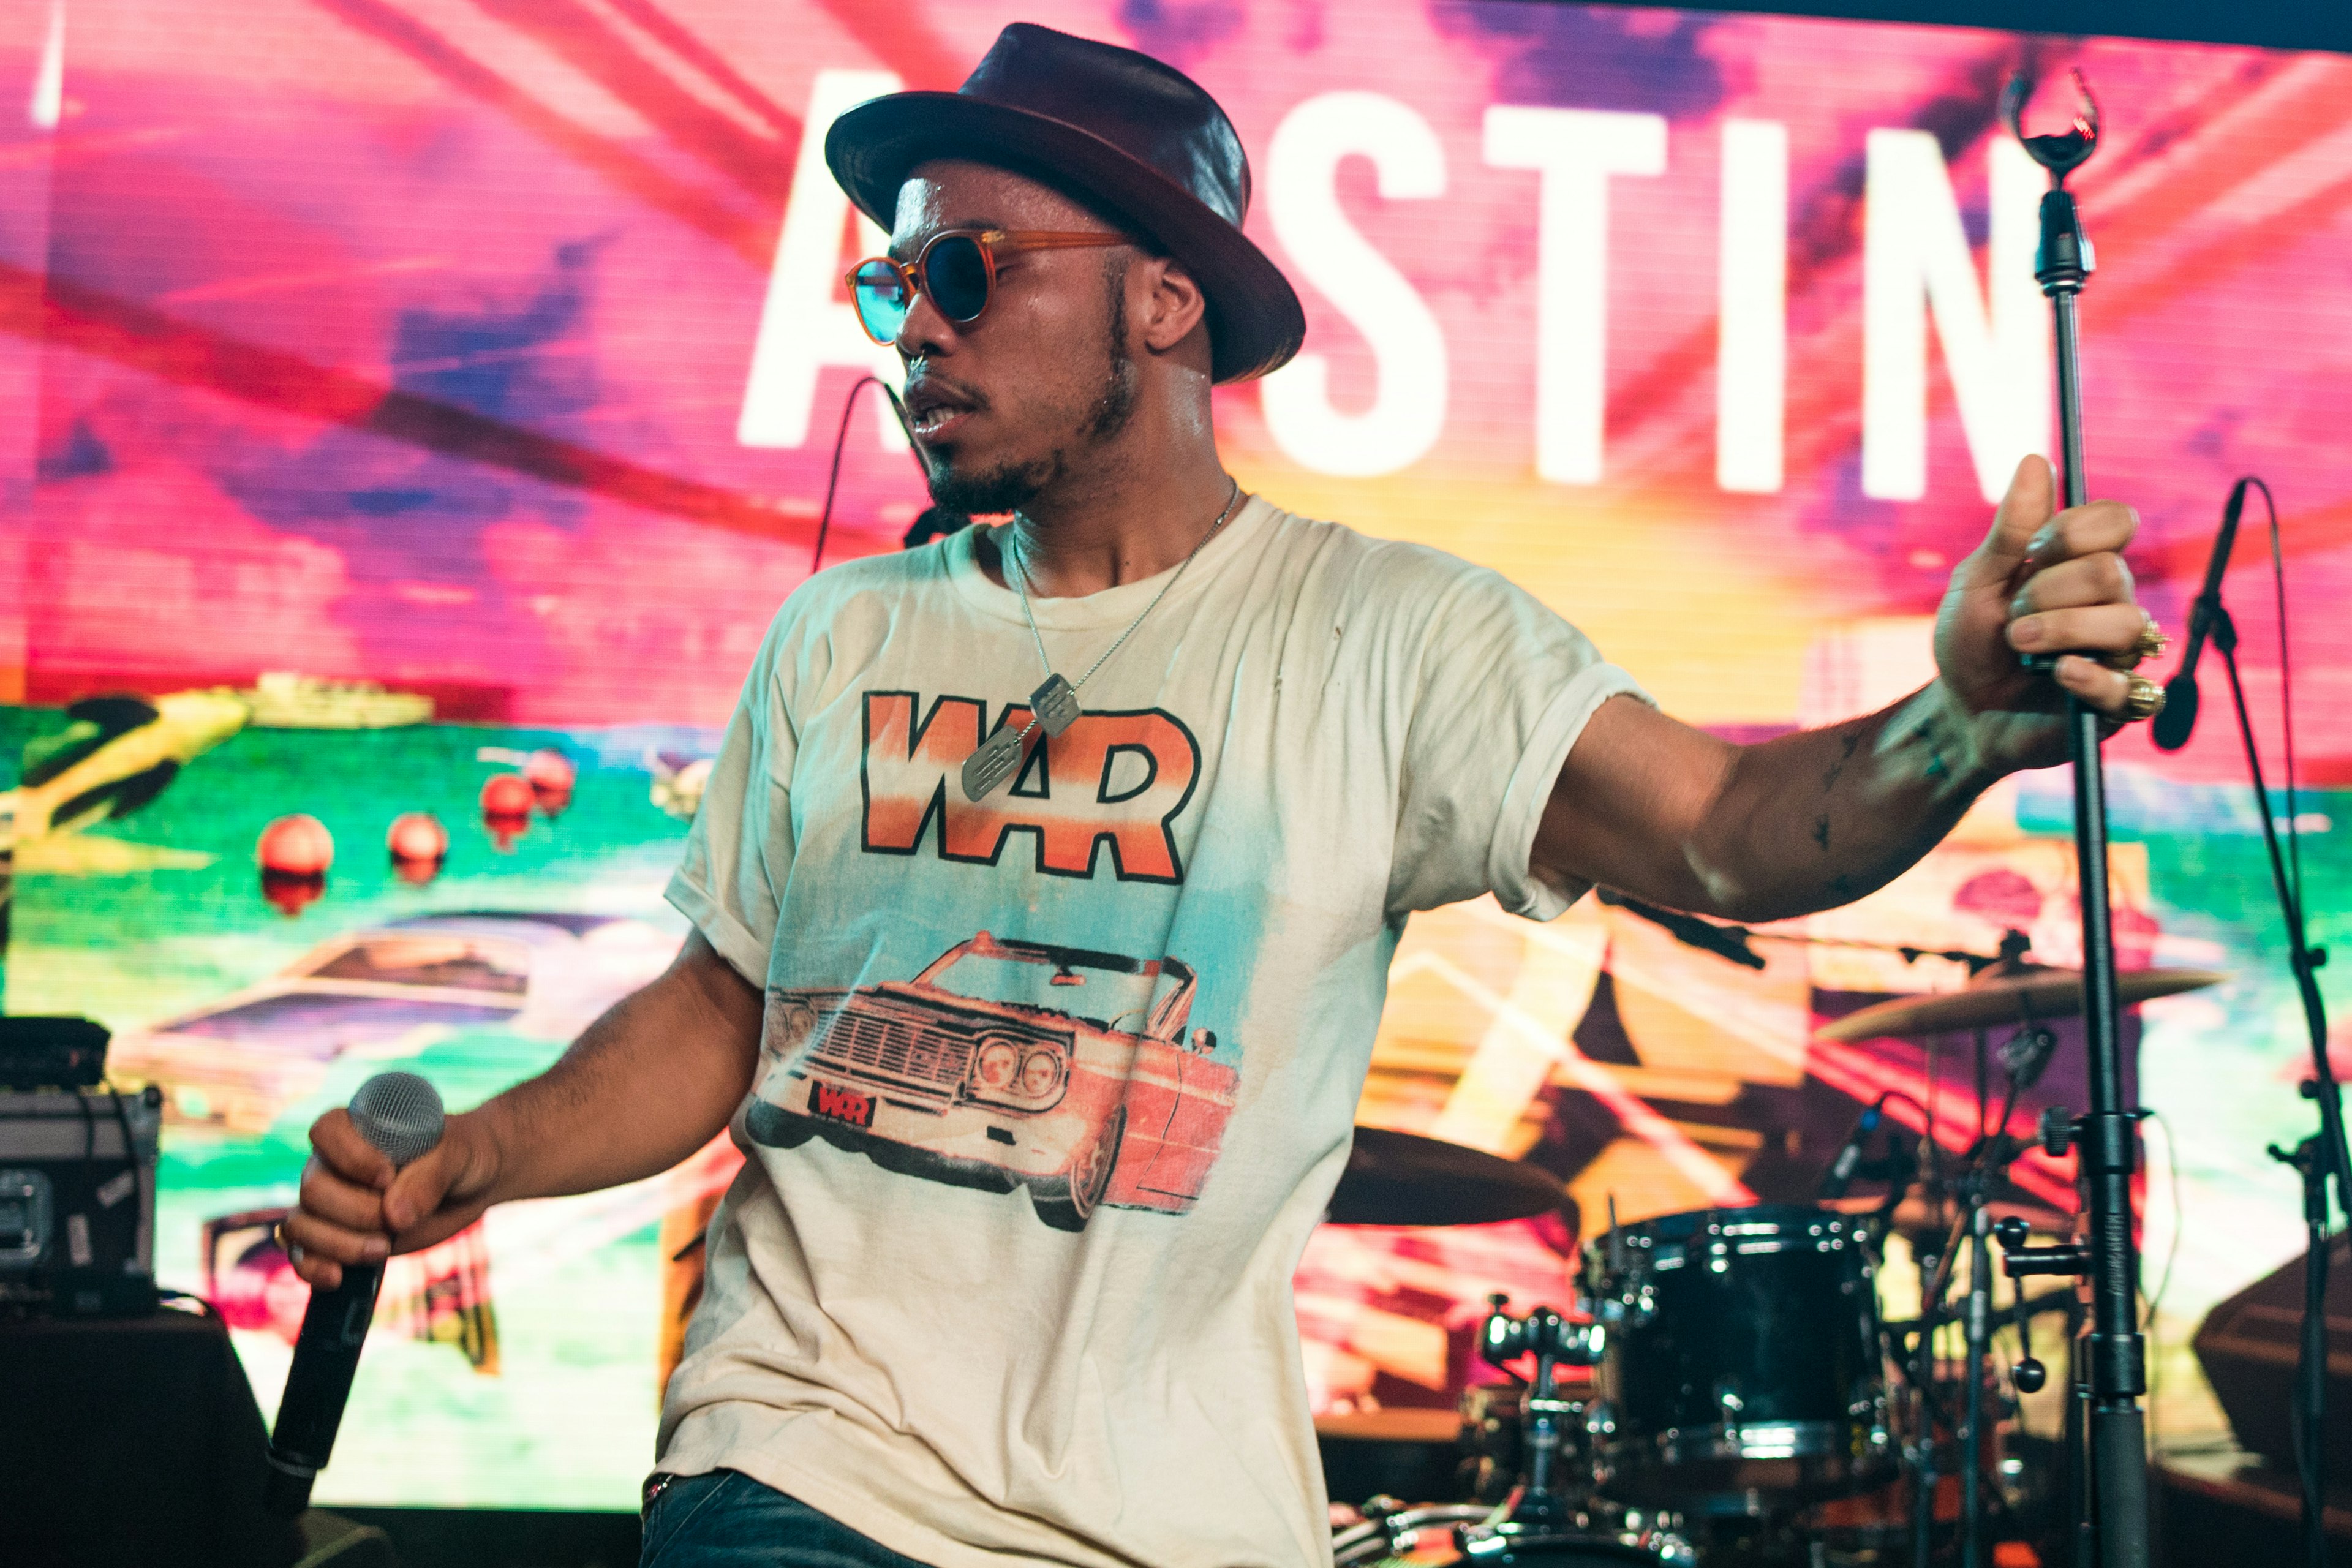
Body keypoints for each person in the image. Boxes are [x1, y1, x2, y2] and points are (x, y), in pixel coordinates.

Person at [282, 23, 2163, 1568]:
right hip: (805, 1467)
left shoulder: (1389, 638)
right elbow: (719, 1007)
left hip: (1186, 1517)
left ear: (1167, 299)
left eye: (965, 269)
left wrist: (1958, 718)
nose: (911, 328)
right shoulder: (838, 638)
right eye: (890, 283)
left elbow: (1727, 836)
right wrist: (484, 1158)